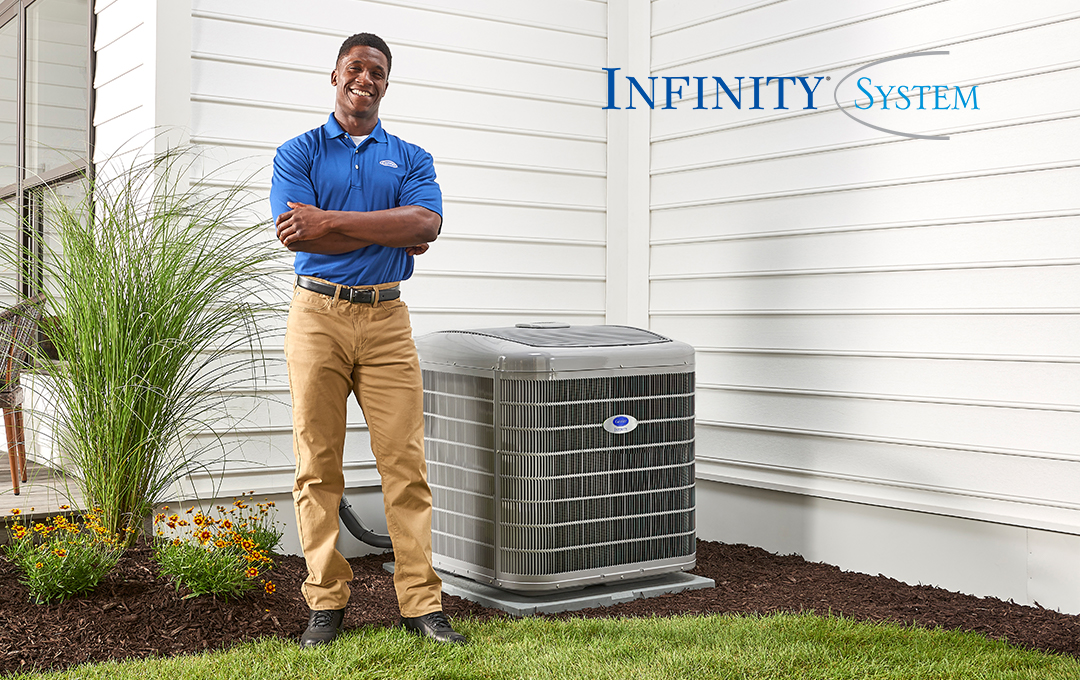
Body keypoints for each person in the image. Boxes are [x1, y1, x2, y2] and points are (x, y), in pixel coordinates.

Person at [270, 32, 465, 647]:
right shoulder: (298, 152)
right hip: (317, 316)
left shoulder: (410, 156)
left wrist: (329, 219)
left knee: (406, 466)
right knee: (317, 466)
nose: (366, 79)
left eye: (377, 71)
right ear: (335, 75)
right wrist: (385, 231)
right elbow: (298, 237)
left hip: (386, 321)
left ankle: (420, 604)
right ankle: (325, 602)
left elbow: (427, 222)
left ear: (387, 81)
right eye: (355, 68)